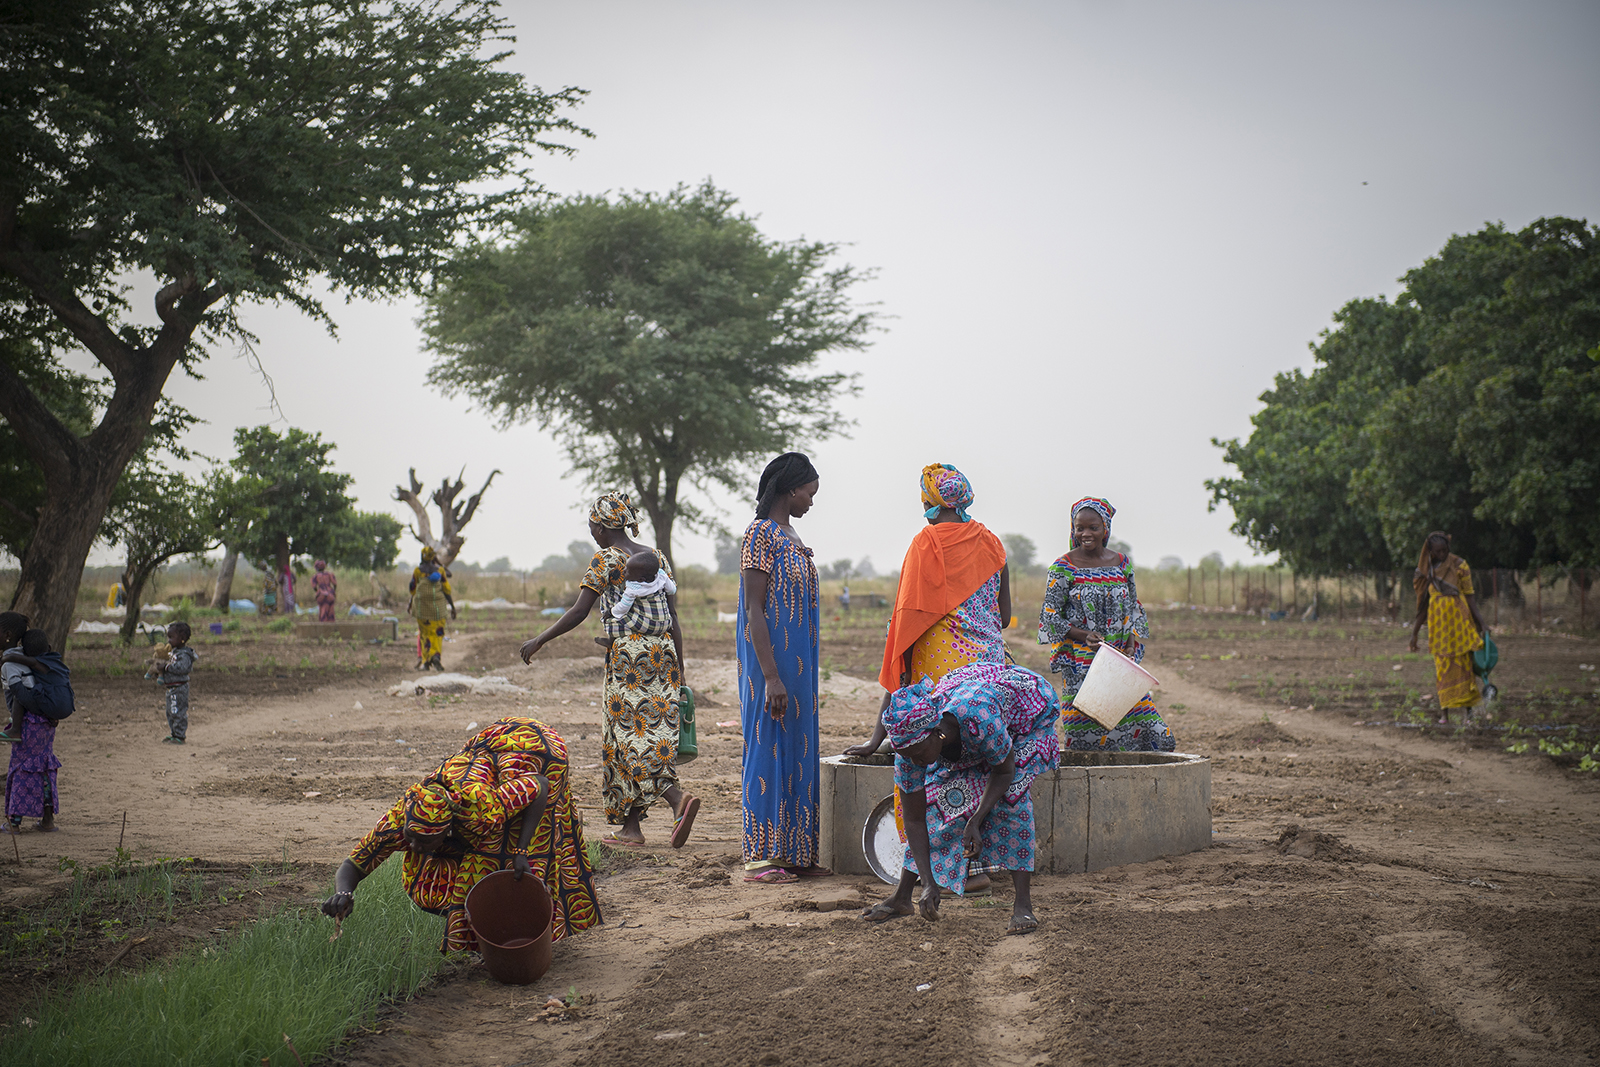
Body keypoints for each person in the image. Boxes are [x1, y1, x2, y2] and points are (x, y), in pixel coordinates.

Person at [320, 717, 601, 951]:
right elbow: (354, 864)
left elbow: (539, 785)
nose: (414, 846)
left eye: (425, 840)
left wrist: (521, 851)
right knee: (479, 858)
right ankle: (484, 940)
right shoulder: (404, 816)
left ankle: (531, 938)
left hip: (532, 751)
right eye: (411, 836)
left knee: (511, 854)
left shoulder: (481, 808)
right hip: (486, 753)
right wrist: (344, 893)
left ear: (447, 829)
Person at [520, 493, 699, 849]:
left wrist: (539, 639)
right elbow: (673, 617)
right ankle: (631, 828)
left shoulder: (605, 558)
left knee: (630, 739)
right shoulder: (656, 556)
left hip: (629, 660)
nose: (592, 534)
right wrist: (679, 668)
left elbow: (579, 610)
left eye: (591, 527)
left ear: (602, 527)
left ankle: (677, 799)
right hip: (662, 655)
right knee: (641, 737)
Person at [861, 662, 1059, 935]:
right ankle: (903, 897)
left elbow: (1004, 771)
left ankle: (1023, 905)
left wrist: (976, 820)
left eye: (919, 755)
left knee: (1012, 798)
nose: (916, 762)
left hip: (1027, 714)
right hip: (971, 719)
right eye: (909, 757)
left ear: (937, 735)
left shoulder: (979, 716)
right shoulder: (910, 747)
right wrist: (928, 882)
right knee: (936, 802)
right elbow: (916, 819)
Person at [737, 452, 829, 884]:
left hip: (800, 665)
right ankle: (763, 856)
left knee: (798, 744)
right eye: (809, 493)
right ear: (791, 489)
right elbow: (754, 609)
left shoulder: (792, 535)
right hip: (770, 662)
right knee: (768, 741)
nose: (811, 502)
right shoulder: (760, 535)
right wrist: (771, 675)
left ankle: (795, 851)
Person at [1039, 497, 1175, 751]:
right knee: (1086, 741)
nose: (1086, 534)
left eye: (1093, 527)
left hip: (1118, 665)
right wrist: (1082, 634)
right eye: (1080, 528)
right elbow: (1050, 616)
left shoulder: (1121, 563)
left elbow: (1132, 606)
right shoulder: (1063, 567)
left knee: (1156, 735)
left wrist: (1132, 642)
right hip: (1081, 665)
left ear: (1106, 529)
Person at [1408, 531, 1487, 721]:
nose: (1442, 555)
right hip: (1439, 627)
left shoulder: (1460, 565)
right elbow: (1422, 607)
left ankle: (1469, 712)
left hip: (1459, 623)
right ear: (1431, 552)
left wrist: (1481, 622)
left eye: (1445, 550)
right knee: (1442, 667)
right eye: (1438, 552)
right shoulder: (1425, 572)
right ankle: (1445, 713)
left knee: (1464, 665)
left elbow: (1469, 595)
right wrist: (1414, 633)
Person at [2, 619, 61, 833]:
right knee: (44, 768)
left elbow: (22, 695)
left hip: (29, 722)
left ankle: (14, 823)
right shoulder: (45, 659)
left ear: (8, 635)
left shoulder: (12, 662)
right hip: (46, 724)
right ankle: (47, 820)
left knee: (21, 769)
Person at [594, 550, 678, 654]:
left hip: (649, 624)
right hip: (665, 623)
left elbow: (623, 608)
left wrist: (610, 612)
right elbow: (672, 590)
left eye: (628, 571)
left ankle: (611, 641)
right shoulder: (661, 576)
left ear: (640, 579)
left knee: (615, 619)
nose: (624, 571)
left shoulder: (633, 588)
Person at [409, 546, 456, 671]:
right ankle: (436, 656)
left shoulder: (418, 571)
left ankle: (426, 661)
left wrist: (410, 603)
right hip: (438, 608)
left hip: (422, 608)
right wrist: (452, 606)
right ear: (433, 557)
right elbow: (446, 590)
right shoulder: (440, 570)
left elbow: (413, 589)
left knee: (424, 634)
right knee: (438, 632)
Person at [153, 621, 197, 744]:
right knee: (171, 712)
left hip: (179, 688)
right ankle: (174, 733)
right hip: (171, 688)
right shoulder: (174, 653)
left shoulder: (185, 655)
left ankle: (180, 735)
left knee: (178, 712)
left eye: (171, 637)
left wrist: (166, 667)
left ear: (182, 639)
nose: (169, 641)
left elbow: (182, 668)